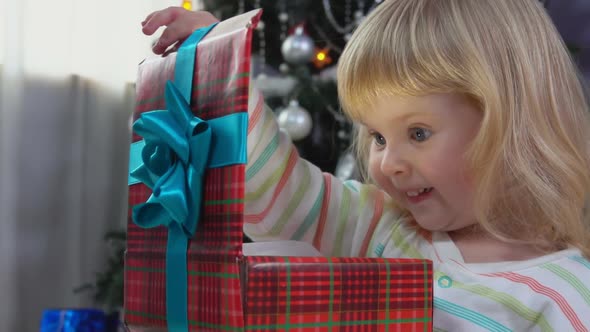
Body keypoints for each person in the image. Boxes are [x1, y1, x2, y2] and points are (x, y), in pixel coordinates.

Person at [141, 1, 590, 330]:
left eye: (418, 133)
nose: (389, 163)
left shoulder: (565, 295)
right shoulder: (379, 226)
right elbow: (278, 199)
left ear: (510, 126)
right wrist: (219, 60)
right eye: (377, 136)